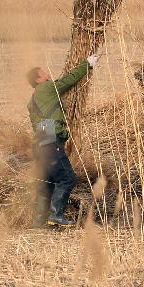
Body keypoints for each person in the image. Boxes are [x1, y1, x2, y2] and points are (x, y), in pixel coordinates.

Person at [26, 53, 99, 227]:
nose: (48, 74)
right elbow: (68, 80)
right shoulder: (47, 88)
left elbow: (39, 125)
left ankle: (39, 221)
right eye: (44, 73)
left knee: (48, 183)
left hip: (39, 144)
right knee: (67, 179)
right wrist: (87, 64)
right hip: (50, 142)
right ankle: (56, 216)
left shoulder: (33, 100)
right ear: (38, 79)